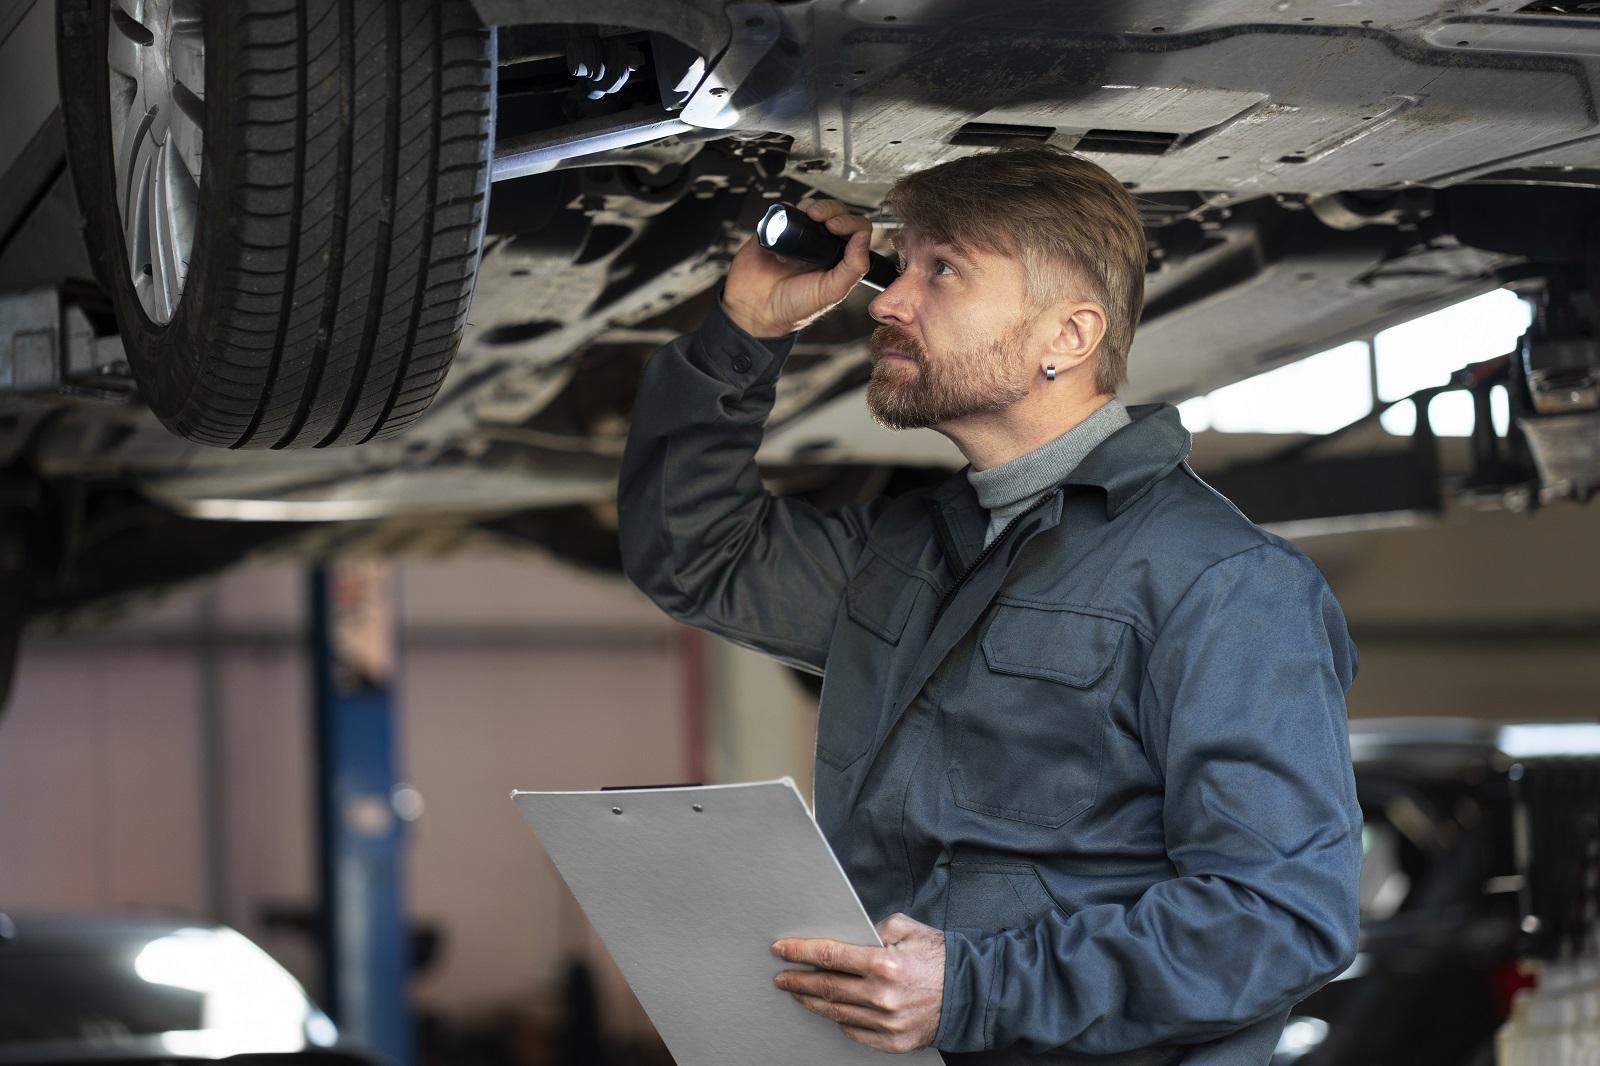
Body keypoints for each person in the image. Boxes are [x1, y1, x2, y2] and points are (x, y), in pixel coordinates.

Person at [616, 144, 1362, 1064]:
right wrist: (745, 332)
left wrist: (972, 989)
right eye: (902, 267)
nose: (887, 301)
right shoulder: (906, 551)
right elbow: (696, 557)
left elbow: (1280, 918)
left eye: (945, 272)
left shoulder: (1223, 585)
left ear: (1069, 337)